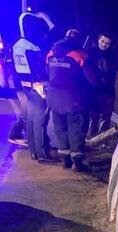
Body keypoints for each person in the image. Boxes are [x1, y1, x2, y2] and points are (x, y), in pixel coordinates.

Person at [46, 30, 96, 172]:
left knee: (60, 128)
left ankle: (64, 160)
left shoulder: (51, 53)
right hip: (73, 98)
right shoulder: (79, 55)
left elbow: (45, 72)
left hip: (53, 97)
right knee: (76, 128)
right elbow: (91, 78)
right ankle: (77, 163)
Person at [12, 10, 54, 162]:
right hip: (36, 85)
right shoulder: (31, 47)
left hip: (25, 86)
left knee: (30, 117)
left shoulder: (17, 45)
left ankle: (33, 150)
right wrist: (45, 83)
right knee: (40, 118)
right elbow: (39, 68)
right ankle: (41, 152)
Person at [86, 33, 118, 138]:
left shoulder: (113, 55)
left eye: (107, 43)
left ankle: (104, 139)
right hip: (94, 90)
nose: (104, 45)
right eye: (103, 41)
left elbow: (115, 69)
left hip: (108, 90)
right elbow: (87, 71)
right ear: (98, 40)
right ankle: (92, 136)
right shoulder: (90, 53)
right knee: (94, 115)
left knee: (107, 115)